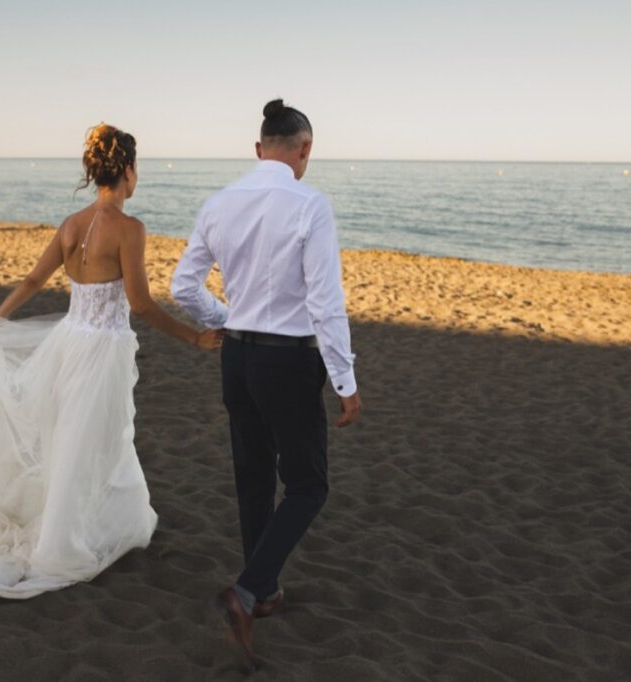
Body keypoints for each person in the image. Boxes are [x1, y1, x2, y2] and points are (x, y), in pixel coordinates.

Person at [0, 124, 222, 599]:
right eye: (136, 168)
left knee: (76, 438)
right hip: (101, 351)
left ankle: (115, 521)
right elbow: (142, 304)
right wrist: (194, 338)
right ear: (127, 170)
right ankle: (63, 543)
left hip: (68, 343)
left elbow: (31, 280)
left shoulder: (70, 225)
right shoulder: (130, 229)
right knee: (93, 440)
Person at [171, 99, 362, 663]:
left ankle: (263, 591)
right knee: (307, 485)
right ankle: (248, 590)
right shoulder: (310, 204)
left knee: (253, 476)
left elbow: (183, 287)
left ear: (259, 149)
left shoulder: (219, 202)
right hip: (289, 361)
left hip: (238, 357)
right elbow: (326, 303)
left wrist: (225, 321)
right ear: (304, 150)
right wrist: (345, 378)